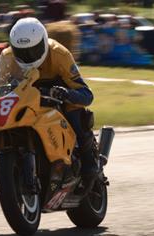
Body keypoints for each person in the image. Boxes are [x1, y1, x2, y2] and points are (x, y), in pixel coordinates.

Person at [5, 17, 98, 188]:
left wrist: (67, 94)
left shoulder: (59, 54)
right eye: (22, 52)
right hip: (27, 99)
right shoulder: (7, 57)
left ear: (43, 43)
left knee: (76, 116)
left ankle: (90, 165)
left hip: (58, 96)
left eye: (33, 51)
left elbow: (86, 94)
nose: (28, 57)